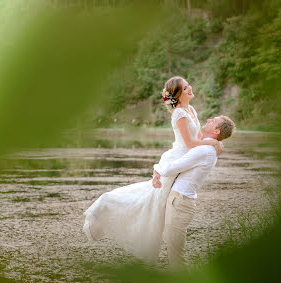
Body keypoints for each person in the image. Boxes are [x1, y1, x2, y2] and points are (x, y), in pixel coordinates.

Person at [83, 76, 222, 263]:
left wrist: (212, 143)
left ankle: (164, 250)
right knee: (151, 199)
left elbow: (197, 137)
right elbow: (189, 142)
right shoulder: (179, 114)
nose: (190, 88)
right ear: (178, 95)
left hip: (185, 156)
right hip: (179, 155)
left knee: (155, 202)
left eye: (189, 86)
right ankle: (105, 211)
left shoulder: (192, 110)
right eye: (186, 88)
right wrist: (213, 142)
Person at [153, 116, 235, 268]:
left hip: (181, 202)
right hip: (179, 200)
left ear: (216, 131)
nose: (209, 119)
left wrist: (157, 169)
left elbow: (171, 168)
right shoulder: (207, 147)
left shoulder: (205, 150)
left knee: (176, 256)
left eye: (213, 121)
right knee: (174, 253)